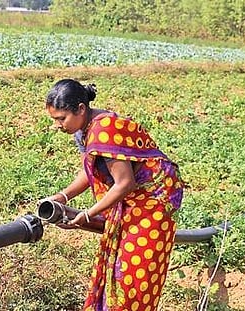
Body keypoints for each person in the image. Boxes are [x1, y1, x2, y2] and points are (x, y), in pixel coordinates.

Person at [44, 79, 184, 311]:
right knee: (117, 262)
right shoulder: (83, 129)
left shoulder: (104, 130)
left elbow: (124, 183)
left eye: (61, 118)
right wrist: (63, 196)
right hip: (133, 198)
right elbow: (89, 170)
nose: (58, 125)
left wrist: (88, 215)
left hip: (154, 200)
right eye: (54, 119)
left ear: (81, 109)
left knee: (135, 270)